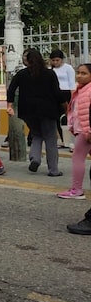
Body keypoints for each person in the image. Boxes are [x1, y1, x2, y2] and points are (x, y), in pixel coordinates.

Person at [6, 49, 66, 176]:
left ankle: (35, 159)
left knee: (36, 135)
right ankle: (53, 170)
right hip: (47, 110)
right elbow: (57, 93)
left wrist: (10, 105)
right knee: (50, 138)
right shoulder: (49, 74)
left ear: (27, 61)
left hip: (27, 111)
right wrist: (65, 103)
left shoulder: (21, 74)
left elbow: (11, 89)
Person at [58, 63, 91, 200]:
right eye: (78, 72)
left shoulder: (88, 91)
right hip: (81, 130)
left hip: (86, 131)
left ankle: (77, 189)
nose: (79, 76)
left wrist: (88, 130)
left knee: (78, 159)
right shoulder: (81, 90)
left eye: (84, 73)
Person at [49, 49, 74, 149]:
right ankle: (63, 140)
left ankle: (71, 141)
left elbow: (72, 83)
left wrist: (72, 98)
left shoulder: (68, 68)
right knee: (58, 118)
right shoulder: (50, 70)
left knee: (68, 117)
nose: (55, 62)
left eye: (57, 60)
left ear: (62, 60)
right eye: (53, 60)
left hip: (66, 93)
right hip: (55, 94)